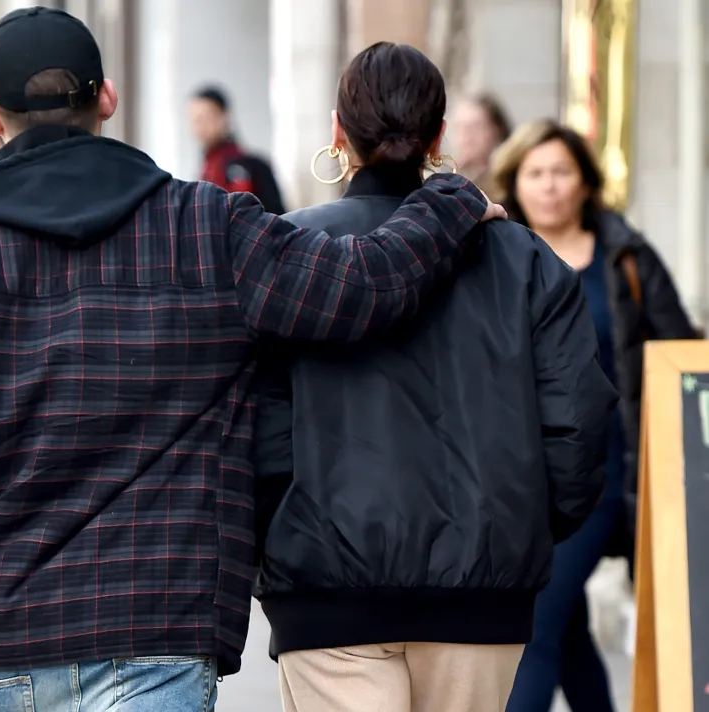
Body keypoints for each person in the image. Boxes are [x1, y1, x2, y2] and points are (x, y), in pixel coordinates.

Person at [0, 8, 506, 712]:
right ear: (106, 98)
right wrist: (449, 201)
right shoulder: (208, 226)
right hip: (156, 621)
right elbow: (362, 287)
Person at [252, 43, 618, 712]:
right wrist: (520, 524)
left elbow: (259, 424)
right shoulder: (523, 259)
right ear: (439, 136)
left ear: (338, 131)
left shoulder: (294, 254)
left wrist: (283, 532)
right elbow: (579, 423)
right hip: (478, 597)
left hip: (327, 589)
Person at [490, 119, 699, 712]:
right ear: (515, 182)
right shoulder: (495, 255)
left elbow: (679, 355)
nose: (550, 186)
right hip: (517, 480)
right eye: (536, 173)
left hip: (606, 473)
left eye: (562, 172)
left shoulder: (626, 259)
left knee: (535, 626)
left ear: (586, 182)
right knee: (570, 631)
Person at [189, 85, 287, 214]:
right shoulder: (206, 168)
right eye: (195, 120)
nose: (200, 127)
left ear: (224, 117)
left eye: (206, 118)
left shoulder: (253, 166)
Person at [451, 93, 512, 189]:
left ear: (496, 130)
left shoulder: (509, 177)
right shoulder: (446, 175)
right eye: (459, 127)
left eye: (475, 126)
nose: (465, 137)